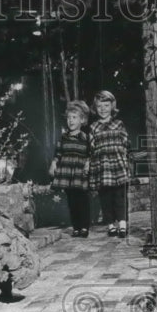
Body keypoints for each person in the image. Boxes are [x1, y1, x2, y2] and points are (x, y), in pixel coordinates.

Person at [88, 90, 131, 238]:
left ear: (112, 106)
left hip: (118, 164)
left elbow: (125, 142)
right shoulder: (93, 127)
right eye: (99, 106)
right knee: (106, 197)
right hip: (102, 166)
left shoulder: (119, 124)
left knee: (120, 195)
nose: (103, 109)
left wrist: (122, 155)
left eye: (106, 105)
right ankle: (111, 224)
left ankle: (123, 224)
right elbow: (91, 146)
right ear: (95, 107)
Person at [48, 101, 91, 237]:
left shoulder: (86, 138)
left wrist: (88, 164)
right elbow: (58, 153)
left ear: (82, 120)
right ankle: (76, 227)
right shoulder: (63, 137)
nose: (71, 120)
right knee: (71, 201)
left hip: (80, 173)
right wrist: (53, 164)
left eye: (74, 117)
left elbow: (90, 154)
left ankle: (84, 226)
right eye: (69, 117)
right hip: (67, 173)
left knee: (82, 200)